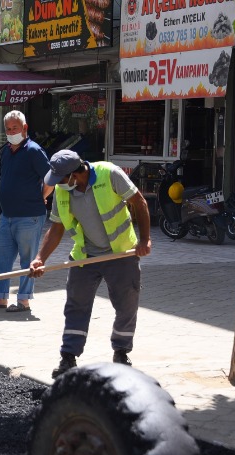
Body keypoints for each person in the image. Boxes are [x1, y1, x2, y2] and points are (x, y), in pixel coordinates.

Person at [28, 149, 151, 379]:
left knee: (127, 303)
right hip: (85, 256)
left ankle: (121, 353)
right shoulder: (62, 192)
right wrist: (40, 259)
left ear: (76, 174)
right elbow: (56, 229)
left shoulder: (109, 174)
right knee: (76, 305)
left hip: (121, 253)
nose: (58, 185)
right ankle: (68, 357)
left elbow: (140, 203)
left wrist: (144, 240)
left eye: (61, 180)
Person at [0, 110, 53, 313]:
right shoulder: (8, 151)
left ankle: (24, 301)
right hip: (6, 216)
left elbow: (51, 179)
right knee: (0, 257)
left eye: (14, 128)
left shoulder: (34, 150)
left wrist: (42, 196)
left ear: (24, 128)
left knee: (28, 261)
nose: (10, 132)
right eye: (8, 129)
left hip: (29, 216)